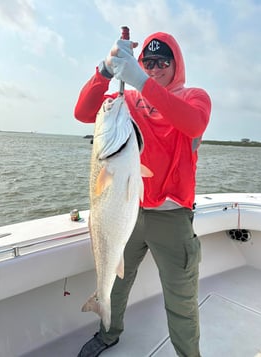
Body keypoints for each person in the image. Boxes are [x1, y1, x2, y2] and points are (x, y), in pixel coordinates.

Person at [74, 31, 211, 357]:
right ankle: (107, 334)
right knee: (115, 282)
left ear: (176, 64)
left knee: (181, 297)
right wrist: (105, 70)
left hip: (173, 216)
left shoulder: (195, 97)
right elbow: (83, 113)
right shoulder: (126, 103)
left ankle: (188, 354)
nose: (155, 67)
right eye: (147, 62)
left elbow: (193, 123)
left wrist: (139, 79)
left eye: (164, 61)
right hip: (127, 210)